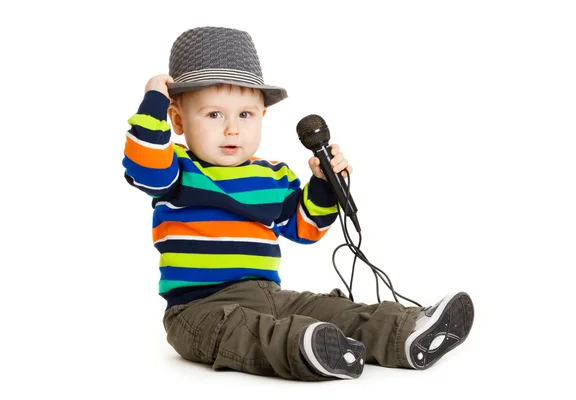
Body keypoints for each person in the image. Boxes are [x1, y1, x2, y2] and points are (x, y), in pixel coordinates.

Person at [123, 26, 474, 381]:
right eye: (214, 115)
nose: (232, 129)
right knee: (247, 333)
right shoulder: (176, 168)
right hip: (198, 309)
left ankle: (407, 332)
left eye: (245, 115)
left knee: (329, 308)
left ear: (262, 116)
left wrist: (323, 185)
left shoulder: (274, 177)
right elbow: (142, 164)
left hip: (267, 294)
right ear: (178, 120)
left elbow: (304, 228)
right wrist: (153, 98)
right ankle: (306, 349)